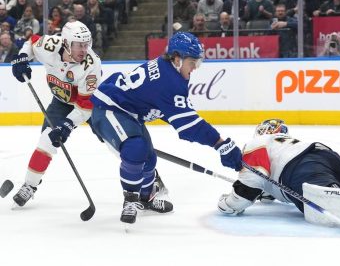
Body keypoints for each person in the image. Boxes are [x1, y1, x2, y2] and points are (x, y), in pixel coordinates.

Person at [89, 32, 242, 225]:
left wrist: (182, 121)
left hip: (129, 113)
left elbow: (171, 112)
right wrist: (221, 145)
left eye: (198, 63)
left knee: (149, 159)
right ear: (177, 59)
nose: (195, 68)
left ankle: (146, 198)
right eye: (192, 62)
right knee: (136, 150)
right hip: (109, 110)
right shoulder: (170, 81)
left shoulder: (168, 68)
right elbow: (189, 127)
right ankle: (131, 200)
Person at [10, 20, 101, 207]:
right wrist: (22, 58)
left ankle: (149, 183)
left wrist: (67, 124)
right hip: (61, 102)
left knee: (114, 141)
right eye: (78, 45)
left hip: (93, 103)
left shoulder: (92, 65)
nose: (84, 50)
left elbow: (85, 106)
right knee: (47, 140)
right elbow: (31, 43)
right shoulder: (50, 46)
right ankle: (30, 185)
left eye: (86, 44)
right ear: (66, 43)